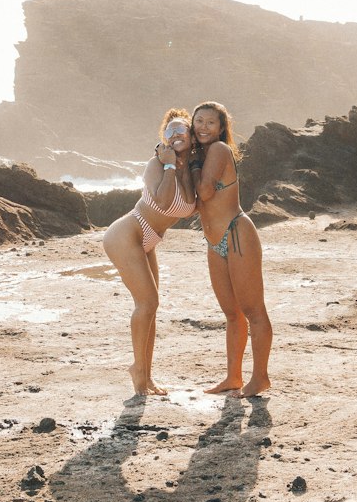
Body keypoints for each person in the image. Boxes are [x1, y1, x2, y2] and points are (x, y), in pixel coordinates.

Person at [101, 109, 196, 396]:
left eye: (182, 131)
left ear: (191, 137)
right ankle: (138, 371)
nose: (176, 135)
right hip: (127, 232)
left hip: (149, 239)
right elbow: (165, 201)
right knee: (148, 303)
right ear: (163, 138)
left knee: (151, 308)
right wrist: (168, 165)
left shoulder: (191, 169)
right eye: (170, 132)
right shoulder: (156, 165)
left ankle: (147, 374)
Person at [190, 100, 272, 397]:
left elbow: (206, 191)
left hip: (237, 234)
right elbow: (190, 206)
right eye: (199, 121)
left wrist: (190, 164)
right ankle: (233, 377)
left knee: (253, 311)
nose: (203, 127)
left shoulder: (219, 150)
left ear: (221, 128)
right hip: (214, 242)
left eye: (211, 122)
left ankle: (260, 377)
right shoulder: (199, 154)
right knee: (232, 314)